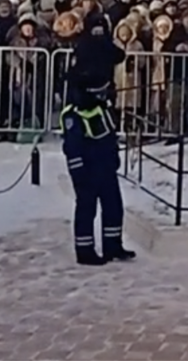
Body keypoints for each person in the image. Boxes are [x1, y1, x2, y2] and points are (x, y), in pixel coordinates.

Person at [61, 66, 135, 266]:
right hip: (87, 169)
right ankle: (85, 251)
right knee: (87, 209)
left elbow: (109, 137)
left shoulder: (101, 109)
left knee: (113, 207)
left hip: (105, 167)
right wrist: (79, 173)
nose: (105, 95)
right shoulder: (73, 115)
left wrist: (113, 158)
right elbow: (72, 148)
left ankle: (113, 246)